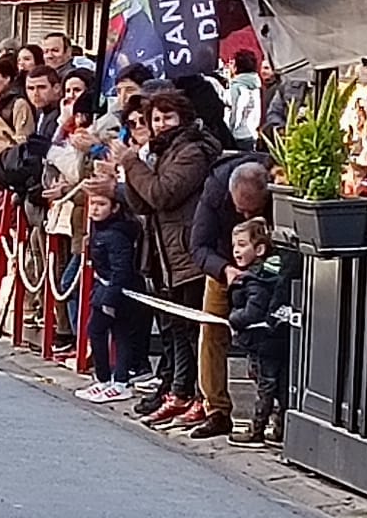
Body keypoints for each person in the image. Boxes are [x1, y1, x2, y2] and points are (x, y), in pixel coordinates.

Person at [119, 89, 225, 436]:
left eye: (168, 118)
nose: (162, 125)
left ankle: (197, 394)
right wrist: (134, 168)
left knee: (193, 329)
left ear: (183, 118)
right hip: (164, 252)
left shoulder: (192, 150)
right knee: (175, 328)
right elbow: (144, 203)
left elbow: (164, 193)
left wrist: (132, 164)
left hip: (188, 251)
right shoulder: (161, 151)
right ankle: (179, 391)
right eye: (156, 119)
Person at [190, 152, 274, 438]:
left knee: (271, 339)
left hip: (267, 268)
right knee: (211, 332)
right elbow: (198, 246)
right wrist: (224, 269)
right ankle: (216, 409)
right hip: (224, 265)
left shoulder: (274, 178)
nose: (247, 216)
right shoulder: (215, 188)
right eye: (241, 210)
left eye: (254, 211)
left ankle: (274, 413)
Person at [226, 218, 296, 448]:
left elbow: (252, 312)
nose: (236, 249)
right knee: (280, 385)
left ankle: (257, 429)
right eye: (235, 244)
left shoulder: (256, 280)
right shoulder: (269, 274)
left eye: (242, 244)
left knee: (265, 385)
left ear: (260, 249)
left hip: (262, 341)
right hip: (276, 338)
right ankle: (280, 427)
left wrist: (234, 319)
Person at [73, 187, 142, 404]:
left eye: (101, 204)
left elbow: (121, 270)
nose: (94, 209)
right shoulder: (99, 230)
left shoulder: (116, 235)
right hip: (105, 286)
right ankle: (110, 380)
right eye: (92, 203)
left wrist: (109, 299)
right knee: (115, 333)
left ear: (115, 208)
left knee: (101, 330)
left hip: (116, 290)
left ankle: (113, 380)